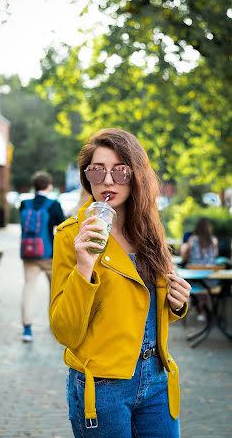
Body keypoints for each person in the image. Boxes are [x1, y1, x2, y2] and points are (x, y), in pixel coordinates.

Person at [49, 128, 191, 438]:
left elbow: (146, 308)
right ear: (87, 177)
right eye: (97, 171)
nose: (108, 180)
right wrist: (85, 266)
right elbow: (64, 330)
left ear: (136, 174)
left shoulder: (150, 231)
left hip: (157, 380)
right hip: (102, 387)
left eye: (121, 170)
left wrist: (179, 303)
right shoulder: (71, 235)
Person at [20, 172, 65, 342]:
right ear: (49, 186)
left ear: (34, 186)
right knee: (55, 291)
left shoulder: (25, 204)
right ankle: (55, 325)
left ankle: (27, 329)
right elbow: (62, 228)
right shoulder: (54, 205)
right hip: (48, 254)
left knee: (29, 289)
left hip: (28, 254)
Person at [180, 217, 219, 321]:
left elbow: (185, 256)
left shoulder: (192, 239)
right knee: (207, 290)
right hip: (211, 279)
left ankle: (202, 310)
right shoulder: (214, 240)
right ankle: (207, 311)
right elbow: (215, 255)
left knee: (198, 289)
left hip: (195, 278)